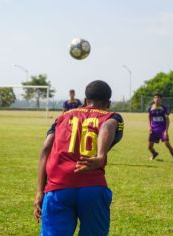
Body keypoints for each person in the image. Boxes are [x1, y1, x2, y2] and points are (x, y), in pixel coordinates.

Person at [34, 80, 124, 236]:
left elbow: (45, 148)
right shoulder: (112, 116)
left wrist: (39, 191)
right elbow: (108, 125)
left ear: (84, 101)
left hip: (58, 187)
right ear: (108, 103)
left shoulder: (61, 117)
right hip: (92, 187)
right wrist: (101, 155)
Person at [148, 94, 173, 162]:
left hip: (162, 130)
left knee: (167, 144)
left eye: (158, 98)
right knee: (149, 147)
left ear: (161, 100)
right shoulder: (150, 108)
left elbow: (167, 120)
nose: (157, 99)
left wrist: (166, 131)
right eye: (155, 98)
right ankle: (154, 154)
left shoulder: (164, 108)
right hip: (154, 129)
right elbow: (149, 116)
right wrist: (150, 127)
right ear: (153, 99)